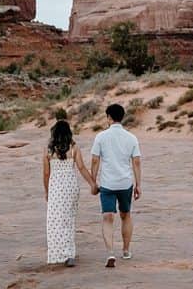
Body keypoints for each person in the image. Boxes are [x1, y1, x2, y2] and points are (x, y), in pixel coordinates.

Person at [90, 103, 142, 268]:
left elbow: (95, 160)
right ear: (122, 117)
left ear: (109, 118)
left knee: (107, 217)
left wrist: (93, 181)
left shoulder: (100, 137)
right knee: (125, 215)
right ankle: (126, 250)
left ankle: (110, 252)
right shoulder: (131, 138)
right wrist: (138, 184)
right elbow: (136, 162)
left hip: (108, 184)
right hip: (125, 182)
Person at [43, 120, 97, 267]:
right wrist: (92, 183)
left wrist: (47, 191)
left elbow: (46, 174)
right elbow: (81, 168)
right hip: (70, 187)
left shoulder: (49, 150)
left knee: (54, 220)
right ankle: (69, 254)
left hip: (56, 187)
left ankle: (57, 254)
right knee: (68, 219)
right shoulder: (73, 148)